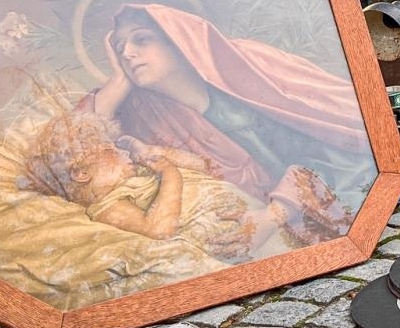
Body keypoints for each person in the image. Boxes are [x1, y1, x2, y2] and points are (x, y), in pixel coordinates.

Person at [83, 4, 376, 241]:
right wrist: (119, 82)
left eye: (142, 39)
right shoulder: (140, 111)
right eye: (119, 48)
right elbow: (70, 152)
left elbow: (346, 152)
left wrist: (274, 214)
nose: (127, 53)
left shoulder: (244, 67)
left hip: (323, 205)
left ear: (179, 40)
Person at [22, 110, 280, 260]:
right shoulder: (108, 207)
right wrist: (170, 174)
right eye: (109, 149)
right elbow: (159, 230)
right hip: (232, 239)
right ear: (80, 173)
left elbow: (205, 166)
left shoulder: (139, 177)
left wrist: (150, 151)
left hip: (255, 218)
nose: (123, 153)